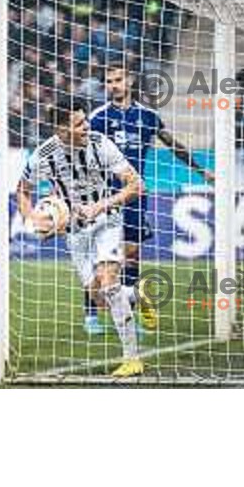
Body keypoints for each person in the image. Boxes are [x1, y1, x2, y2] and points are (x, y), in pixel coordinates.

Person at [16, 97, 144, 377]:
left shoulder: (101, 143)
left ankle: (132, 359)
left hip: (106, 219)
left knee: (109, 283)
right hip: (74, 231)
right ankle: (137, 294)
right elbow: (22, 191)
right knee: (99, 297)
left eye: (85, 120)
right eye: (79, 124)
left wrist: (101, 205)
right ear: (62, 130)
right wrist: (33, 218)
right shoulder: (43, 154)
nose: (87, 126)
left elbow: (136, 184)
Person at [87, 64, 215, 334]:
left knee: (132, 255)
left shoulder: (148, 116)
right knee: (102, 259)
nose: (114, 85)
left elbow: (173, 145)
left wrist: (201, 169)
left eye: (119, 79)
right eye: (109, 81)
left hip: (134, 196)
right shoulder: (98, 118)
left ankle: (130, 315)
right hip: (104, 198)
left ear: (129, 81)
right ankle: (91, 315)